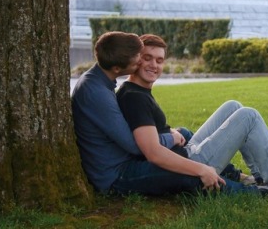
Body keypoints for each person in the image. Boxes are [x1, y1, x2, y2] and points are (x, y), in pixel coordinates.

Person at [116, 34, 268, 196]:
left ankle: (262, 177)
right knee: (249, 116)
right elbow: (153, 154)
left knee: (233, 105)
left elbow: (149, 130)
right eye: (147, 58)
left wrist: (170, 132)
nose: (154, 65)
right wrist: (201, 170)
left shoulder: (136, 92)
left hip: (187, 149)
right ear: (135, 59)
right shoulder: (134, 97)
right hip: (192, 160)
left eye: (159, 60)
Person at [71, 31, 248, 194]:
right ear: (117, 68)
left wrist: (169, 134)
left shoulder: (99, 80)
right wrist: (170, 139)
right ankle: (256, 193)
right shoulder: (96, 92)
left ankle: (232, 174)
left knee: (184, 136)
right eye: (137, 61)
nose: (141, 62)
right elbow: (136, 146)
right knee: (188, 172)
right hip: (117, 174)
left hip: (125, 159)